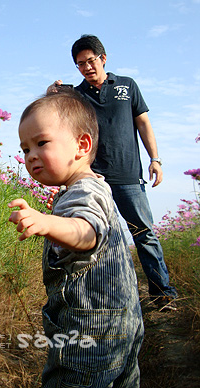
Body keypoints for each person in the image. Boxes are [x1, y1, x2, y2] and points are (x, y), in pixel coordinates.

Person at [8, 92, 144, 388]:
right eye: (25, 148)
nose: (30, 155)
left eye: (41, 143)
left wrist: (46, 222)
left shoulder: (84, 191)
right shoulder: (96, 186)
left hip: (90, 335)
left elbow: (87, 233)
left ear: (82, 145)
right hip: (122, 325)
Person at [49, 34, 177, 310]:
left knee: (144, 235)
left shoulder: (127, 86)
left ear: (103, 58)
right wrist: (52, 93)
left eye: (90, 61)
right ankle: (103, 301)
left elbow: (143, 123)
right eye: (80, 64)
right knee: (97, 239)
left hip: (129, 176)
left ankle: (162, 295)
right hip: (93, 180)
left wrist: (155, 159)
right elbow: (57, 120)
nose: (86, 68)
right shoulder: (76, 94)